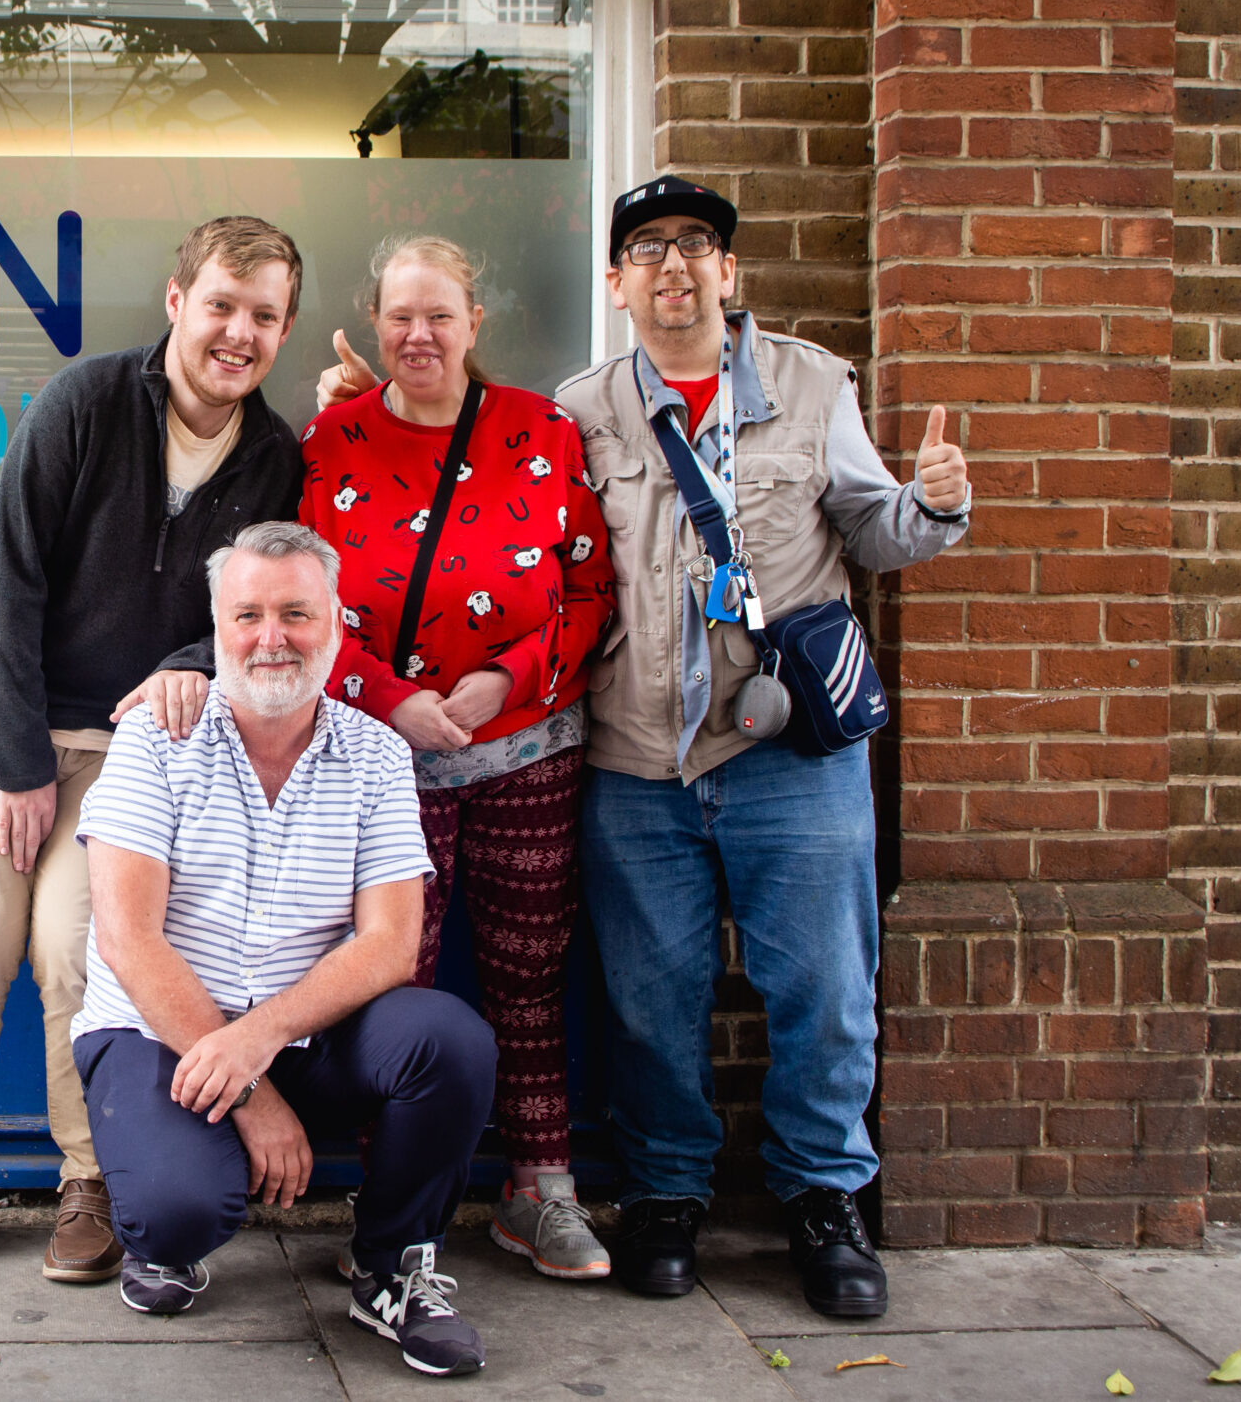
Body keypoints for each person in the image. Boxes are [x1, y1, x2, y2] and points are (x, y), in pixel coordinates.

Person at [319, 175, 971, 1321]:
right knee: (649, 1000)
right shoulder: (582, 409)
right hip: (635, 757)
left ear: (729, 274)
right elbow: (408, 515)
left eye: (697, 246)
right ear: (615, 284)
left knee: (823, 989)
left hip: (784, 753)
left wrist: (931, 507)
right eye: (646, 250)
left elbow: (869, 530)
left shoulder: (815, 386)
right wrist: (377, 404)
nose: (673, 267)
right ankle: (666, 1196)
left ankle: (824, 1200)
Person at [0, 217, 308, 1290]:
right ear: (176, 303)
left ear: (283, 329)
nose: (237, 334)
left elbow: (256, 611)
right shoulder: (87, 403)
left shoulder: (273, 455)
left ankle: (89, 1183)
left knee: (81, 952)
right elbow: (5, 580)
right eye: (221, 305)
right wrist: (17, 761)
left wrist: (196, 658)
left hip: (126, 743)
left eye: (263, 316)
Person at [71, 522, 499, 1377]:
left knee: (450, 1040)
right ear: (218, 626)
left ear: (336, 623)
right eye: (250, 615)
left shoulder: (376, 752)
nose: (272, 638)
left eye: (297, 613)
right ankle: (162, 1238)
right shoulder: (156, 739)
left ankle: (393, 1265)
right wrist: (252, 1098)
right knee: (179, 1208)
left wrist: (258, 1044)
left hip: (306, 1037)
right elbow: (127, 937)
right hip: (158, 1037)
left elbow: (390, 945)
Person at [299, 235, 617, 1284]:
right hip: (386, 761)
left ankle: (542, 1192)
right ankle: (395, 1221)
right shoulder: (333, 439)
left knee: (528, 976)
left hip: (530, 749)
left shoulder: (542, 431)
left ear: (475, 324)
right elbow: (301, 610)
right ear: (375, 324)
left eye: (439, 315)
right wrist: (393, 699)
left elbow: (586, 589)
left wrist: (501, 685)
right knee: (397, 989)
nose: (419, 334)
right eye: (400, 317)